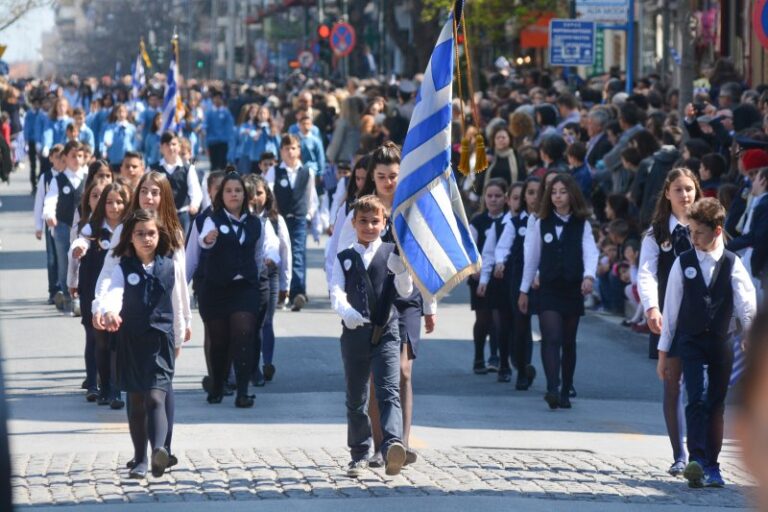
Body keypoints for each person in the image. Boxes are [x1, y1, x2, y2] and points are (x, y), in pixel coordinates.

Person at [657, 198, 756, 488]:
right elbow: (671, 311)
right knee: (695, 396)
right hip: (690, 340)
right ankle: (696, 460)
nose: (692, 238)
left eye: (698, 232)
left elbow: (746, 304)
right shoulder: (683, 262)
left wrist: (747, 334)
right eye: (690, 232)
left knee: (716, 402)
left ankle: (713, 464)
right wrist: (664, 354)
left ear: (717, 231)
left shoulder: (732, 263)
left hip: (721, 343)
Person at [101, 209, 190, 479]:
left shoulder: (170, 266)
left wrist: (179, 332)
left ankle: (160, 450)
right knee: (137, 400)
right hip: (131, 341)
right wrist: (110, 311)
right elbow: (115, 293)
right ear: (130, 238)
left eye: (151, 233)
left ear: (159, 235)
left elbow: (178, 302)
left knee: (155, 396)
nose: (146, 238)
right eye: (140, 234)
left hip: (160, 340)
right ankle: (140, 459)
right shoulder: (123, 268)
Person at [329, 194, 412, 477]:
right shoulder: (345, 257)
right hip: (354, 333)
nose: (368, 226)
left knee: (388, 390)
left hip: (387, 331)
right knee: (356, 396)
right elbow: (336, 290)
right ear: (353, 223)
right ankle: (359, 452)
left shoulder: (391, 252)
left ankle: (392, 445)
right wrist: (346, 312)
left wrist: (401, 273)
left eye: (375, 221)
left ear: (384, 222)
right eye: (362, 221)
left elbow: (405, 292)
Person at [638, 167, 701, 476]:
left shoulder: (708, 227)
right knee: (672, 384)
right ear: (667, 194)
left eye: (689, 188)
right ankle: (679, 453)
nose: (685, 195)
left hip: (702, 317)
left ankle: (703, 452)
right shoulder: (657, 232)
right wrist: (651, 307)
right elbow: (646, 272)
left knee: (702, 389)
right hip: (670, 317)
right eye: (678, 189)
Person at [518, 174, 598, 409]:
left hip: (572, 288)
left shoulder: (582, 223)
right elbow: (532, 258)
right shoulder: (542, 222)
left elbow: (590, 252)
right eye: (553, 192)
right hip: (549, 288)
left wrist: (588, 276)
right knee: (551, 337)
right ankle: (552, 387)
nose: (558, 196)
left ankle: (566, 388)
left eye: (562, 191)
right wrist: (524, 289)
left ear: (572, 194)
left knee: (568, 341)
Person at [198, 172, 263, 408]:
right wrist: (209, 239)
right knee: (219, 341)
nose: (233, 194)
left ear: (245, 195)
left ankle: (243, 392)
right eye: (228, 190)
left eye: (238, 190)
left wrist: (258, 278)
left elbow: (258, 254)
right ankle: (217, 385)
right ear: (220, 195)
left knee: (243, 333)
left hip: (245, 288)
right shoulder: (212, 219)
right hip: (216, 289)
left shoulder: (255, 222)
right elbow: (203, 240)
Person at [71, 182, 131, 407]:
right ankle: (103, 386)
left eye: (119, 202)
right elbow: (81, 241)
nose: (114, 207)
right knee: (101, 341)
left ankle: (115, 390)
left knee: (117, 340)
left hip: (122, 290)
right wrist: (78, 248)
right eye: (109, 202)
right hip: (94, 288)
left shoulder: (130, 228)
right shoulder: (93, 227)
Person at [492, 176, 542, 389]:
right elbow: (502, 246)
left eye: (538, 192)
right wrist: (500, 262)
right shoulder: (515, 222)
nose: (534, 197)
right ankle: (521, 370)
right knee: (520, 325)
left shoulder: (548, 219)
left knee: (545, 328)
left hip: (545, 279)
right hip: (519, 277)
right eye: (530, 193)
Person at [265, 134, 317, 311]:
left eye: (293, 148)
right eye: (286, 149)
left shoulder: (306, 172)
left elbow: (311, 195)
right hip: (280, 219)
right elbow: (269, 192)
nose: (290, 152)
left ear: (299, 151)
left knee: (297, 253)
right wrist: (271, 213)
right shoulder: (275, 171)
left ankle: (298, 293)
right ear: (281, 151)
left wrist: (309, 214)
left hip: (300, 218)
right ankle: (281, 291)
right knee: (280, 253)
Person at [247, 175, 291, 382]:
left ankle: (267, 363)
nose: (255, 198)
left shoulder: (275, 219)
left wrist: (286, 283)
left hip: (271, 276)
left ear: (267, 195)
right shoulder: (243, 218)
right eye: (251, 194)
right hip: (249, 276)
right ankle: (250, 365)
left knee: (267, 320)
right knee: (250, 323)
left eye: (259, 193)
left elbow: (285, 250)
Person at [478, 181, 523, 382]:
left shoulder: (533, 222)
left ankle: (521, 363)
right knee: (502, 324)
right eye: (515, 198)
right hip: (501, 281)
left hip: (522, 280)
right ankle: (503, 363)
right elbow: (489, 254)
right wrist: (485, 279)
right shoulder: (499, 225)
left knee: (520, 325)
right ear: (509, 200)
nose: (520, 202)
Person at [42, 141, 87, 312]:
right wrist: (49, 214)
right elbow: (51, 198)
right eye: (73, 156)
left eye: (80, 156)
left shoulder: (88, 177)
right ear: (66, 158)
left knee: (83, 262)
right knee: (64, 263)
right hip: (62, 226)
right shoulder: (58, 179)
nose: (76, 159)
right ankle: (68, 297)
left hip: (83, 229)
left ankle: (81, 296)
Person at [469, 178, 508, 374]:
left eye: (498, 196)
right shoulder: (478, 221)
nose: (493, 200)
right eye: (490, 196)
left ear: (506, 198)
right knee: (483, 317)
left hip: (501, 276)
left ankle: (496, 356)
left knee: (498, 317)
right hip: (479, 275)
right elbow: (469, 248)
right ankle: (478, 356)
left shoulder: (509, 220)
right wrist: (474, 269)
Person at [150, 131, 203, 237]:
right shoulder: (153, 168)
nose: (170, 148)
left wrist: (194, 204)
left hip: (182, 215)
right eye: (167, 144)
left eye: (174, 144)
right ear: (161, 148)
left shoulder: (187, 168)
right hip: (160, 215)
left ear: (179, 146)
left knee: (183, 245)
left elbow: (195, 190)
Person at [33, 144, 64, 304]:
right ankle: (54, 290)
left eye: (63, 157)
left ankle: (66, 288)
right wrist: (38, 226)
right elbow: (39, 203)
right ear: (51, 158)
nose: (61, 160)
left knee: (65, 258)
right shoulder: (46, 177)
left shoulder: (68, 176)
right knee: (52, 259)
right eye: (57, 157)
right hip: (51, 224)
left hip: (66, 223)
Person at [101, 104, 137, 172]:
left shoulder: (132, 128)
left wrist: (133, 154)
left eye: (123, 111)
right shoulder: (110, 127)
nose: (121, 114)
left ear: (126, 113)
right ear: (115, 113)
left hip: (128, 158)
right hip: (114, 157)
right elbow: (106, 141)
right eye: (119, 112)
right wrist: (104, 151)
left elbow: (135, 143)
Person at [204, 91, 235, 171]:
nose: (217, 100)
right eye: (215, 98)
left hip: (223, 142)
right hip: (212, 142)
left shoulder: (226, 112)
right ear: (213, 99)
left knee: (223, 165)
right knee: (214, 165)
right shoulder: (209, 112)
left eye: (219, 98)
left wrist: (230, 141)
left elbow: (230, 127)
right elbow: (205, 125)